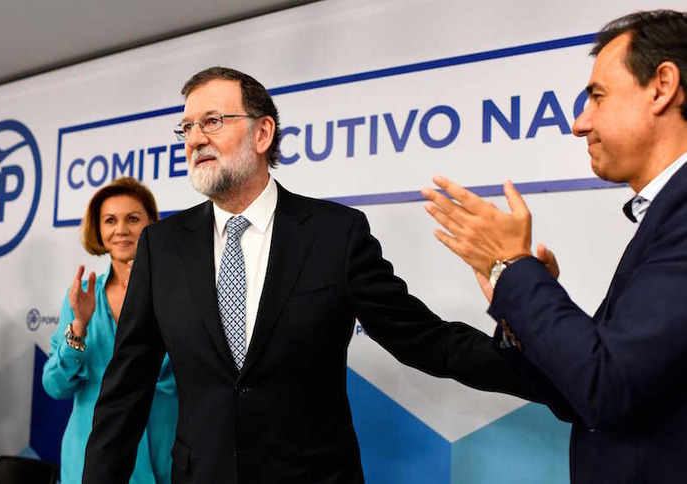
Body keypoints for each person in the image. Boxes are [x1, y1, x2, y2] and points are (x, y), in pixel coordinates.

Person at [80, 67, 545, 483]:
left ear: (262, 133)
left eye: (212, 122)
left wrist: (545, 361)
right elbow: (126, 388)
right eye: (187, 127)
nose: (194, 138)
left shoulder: (335, 234)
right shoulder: (162, 247)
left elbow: (425, 339)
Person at [422, 10, 687, 484]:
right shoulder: (664, 213)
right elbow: (579, 397)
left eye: (597, 97)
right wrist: (518, 294)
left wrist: (516, 269)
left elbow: (607, 386)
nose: (579, 124)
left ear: (662, 85)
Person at [43, 177, 178, 484]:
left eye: (133, 219)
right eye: (110, 220)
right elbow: (55, 386)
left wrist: (152, 306)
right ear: (99, 229)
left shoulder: (179, 293)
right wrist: (79, 325)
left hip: (159, 457)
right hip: (89, 461)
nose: (121, 230)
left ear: (153, 224)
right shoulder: (81, 296)